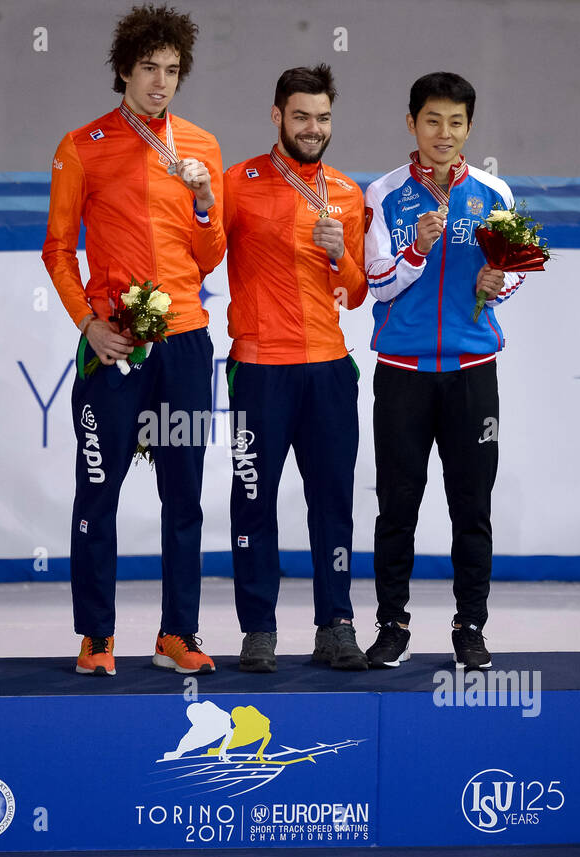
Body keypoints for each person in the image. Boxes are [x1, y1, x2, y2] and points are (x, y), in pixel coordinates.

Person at [42, 4, 225, 677]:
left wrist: (205, 203)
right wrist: (89, 324)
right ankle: (96, 635)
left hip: (184, 346)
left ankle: (178, 632)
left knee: (184, 496)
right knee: (99, 489)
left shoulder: (202, 148)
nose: (160, 82)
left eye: (172, 71)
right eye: (149, 68)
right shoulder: (81, 145)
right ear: (124, 69)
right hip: (113, 347)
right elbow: (58, 250)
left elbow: (210, 257)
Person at [362, 72, 525, 671]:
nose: (444, 133)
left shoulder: (494, 194)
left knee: (471, 505)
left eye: (456, 123)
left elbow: (515, 272)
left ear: (469, 128)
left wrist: (498, 283)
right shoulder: (381, 194)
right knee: (396, 504)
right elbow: (374, 284)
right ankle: (392, 626)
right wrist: (414, 251)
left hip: (472, 370)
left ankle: (471, 627)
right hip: (401, 371)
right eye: (432, 120)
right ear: (412, 123)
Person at [222, 65, 368, 673]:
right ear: (277, 116)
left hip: (329, 370)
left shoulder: (346, 192)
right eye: (302, 116)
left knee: (332, 502)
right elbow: (204, 254)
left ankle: (335, 625)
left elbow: (358, 291)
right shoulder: (238, 183)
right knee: (253, 500)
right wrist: (204, 206)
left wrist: (341, 258)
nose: (314, 128)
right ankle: (258, 630)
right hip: (260, 370)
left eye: (324, 117)